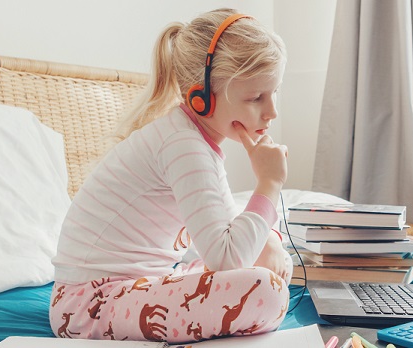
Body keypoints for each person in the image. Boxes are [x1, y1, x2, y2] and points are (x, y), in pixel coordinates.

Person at [48, 8, 292, 343]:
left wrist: (270, 241)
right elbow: (226, 257)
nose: (272, 111)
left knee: (270, 267)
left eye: (273, 92)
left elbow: (229, 232)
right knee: (267, 292)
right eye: (255, 98)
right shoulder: (182, 145)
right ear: (202, 97)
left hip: (130, 288)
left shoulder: (195, 141)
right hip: (87, 304)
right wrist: (269, 183)